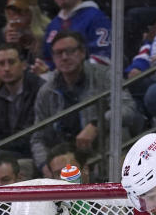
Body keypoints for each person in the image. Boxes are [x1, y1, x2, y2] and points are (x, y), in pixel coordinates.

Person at [31, 31, 142, 174]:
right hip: (65, 154)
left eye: (70, 51)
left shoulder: (105, 75)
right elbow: (37, 137)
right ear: (53, 58)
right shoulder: (46, 91)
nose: (64, 57)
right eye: (58, 53)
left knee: (118, 131)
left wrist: (97, 124)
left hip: (100, 149)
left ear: (83, 52)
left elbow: (128, 109)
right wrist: (44, 165)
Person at [0, 43, 45, 158]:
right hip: (8, 150)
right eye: (1, 64)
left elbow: (29, 136)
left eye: (11, 62)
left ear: (23, 65)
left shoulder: (38, 88)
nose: (6, 69)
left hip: (32, 151)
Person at [40, 0, 112, 68]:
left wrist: (73, 73)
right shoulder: (53, 25)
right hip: (58, 79)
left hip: (91, 78)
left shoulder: (96, 17)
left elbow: (103, 57)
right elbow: (48, 59)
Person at [1, 0, 50, 66]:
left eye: (20, 12)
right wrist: (11, 46)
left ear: (31, 12)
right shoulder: (7, 33)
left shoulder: (48, 31)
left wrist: (36, 43)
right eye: (11, 13)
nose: (15, 17)